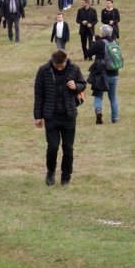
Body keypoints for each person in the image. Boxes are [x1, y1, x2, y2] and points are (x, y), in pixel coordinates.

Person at [33, 50, 87, 186]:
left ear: (66, 60)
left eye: (62, 65)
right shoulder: (43, 70)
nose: (59, 68)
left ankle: (66, 176)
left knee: (68, 148)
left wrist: (76, 86)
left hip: (68, 115)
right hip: (51, 116)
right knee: (52, 147)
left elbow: (83, 84)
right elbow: (39, 94)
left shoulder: (74, 69)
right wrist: (37, 116)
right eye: (57, 66)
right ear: (52, 62)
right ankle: (50, 172)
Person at [85, 25, 121, 124]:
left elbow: (87, 53)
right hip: (114, 73)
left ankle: (98, 111)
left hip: (101, 74)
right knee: (113, 97)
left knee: (98, 95)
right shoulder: (115, 42)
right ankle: (115, 118)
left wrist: (93, 42)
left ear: (102, 33)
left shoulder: (100, 43)